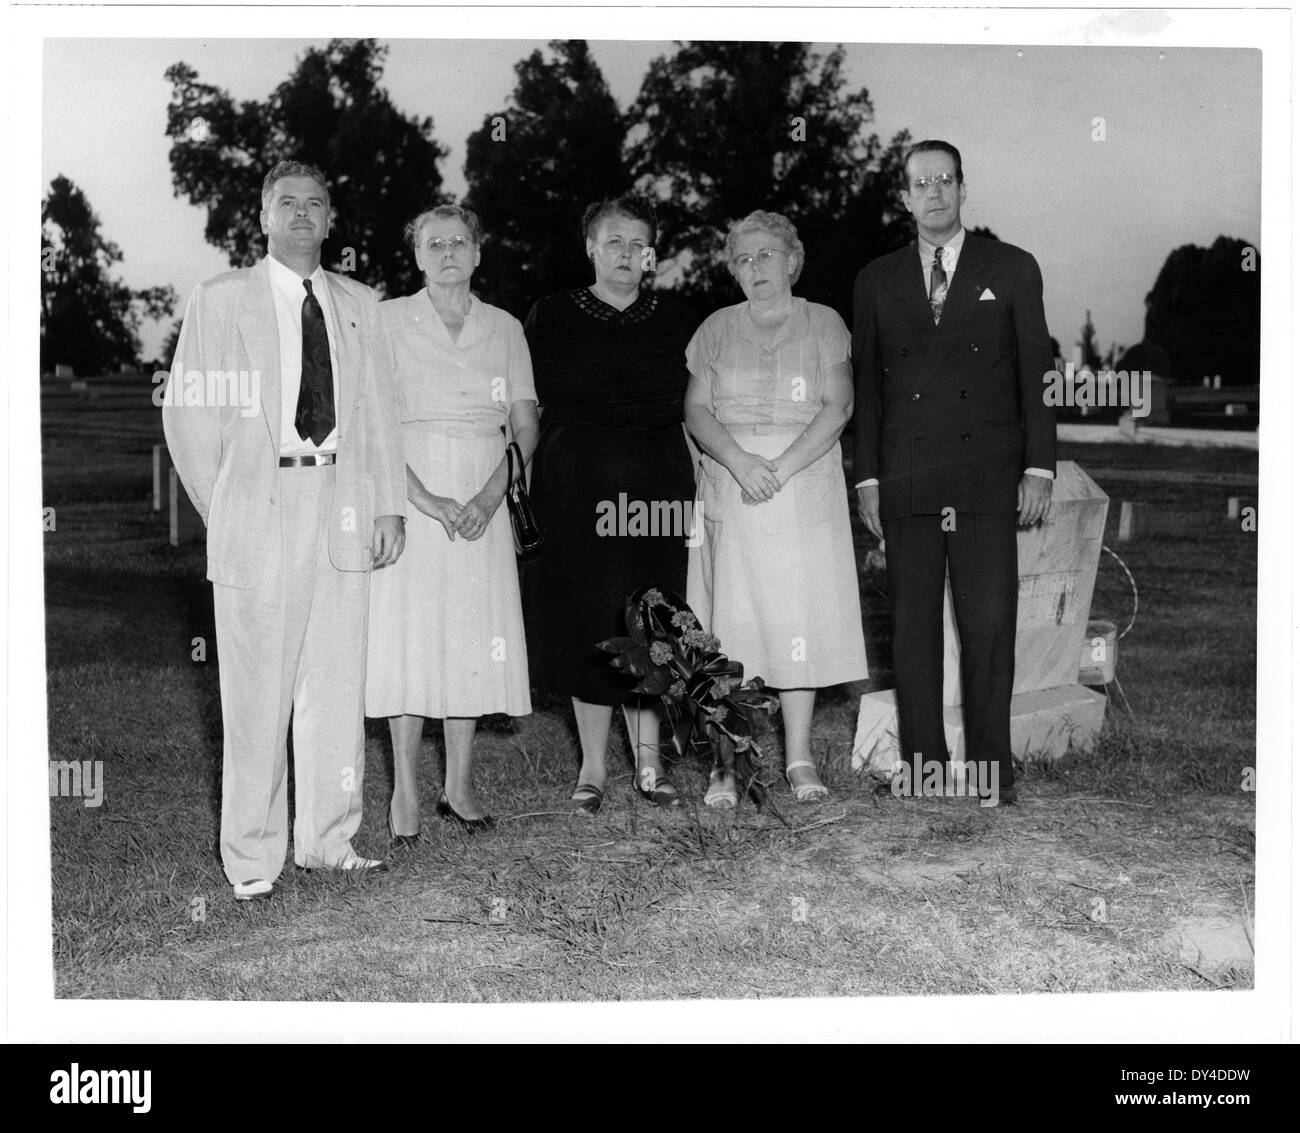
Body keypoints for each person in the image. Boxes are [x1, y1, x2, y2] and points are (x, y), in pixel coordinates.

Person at [163, 160, 407, 901]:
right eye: (286, 202)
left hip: (341, 504)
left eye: (316, 202)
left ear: (332, 220)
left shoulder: (363, 304)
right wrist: (231, 503)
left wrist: (387, 504)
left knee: (334, 684)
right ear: (263, 216)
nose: (302, 213)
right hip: (261, 502)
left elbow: (379, 417)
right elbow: (189, 416)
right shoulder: (221, 300)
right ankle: (252, 858)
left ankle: (330, 839)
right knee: (255, 691)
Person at [851, 139, 1057, 805]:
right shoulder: (876, 279)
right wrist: (868, 480)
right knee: (912, 630)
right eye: (920, 182)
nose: (934, 192)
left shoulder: (1014, 268)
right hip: (908, 477)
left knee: (989, 626)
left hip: (987, 476)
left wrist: (1039, 467)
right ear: (905, 196)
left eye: (946, 180)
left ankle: (993, 771)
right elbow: (869, 387)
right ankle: (924, 767)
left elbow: (1035, 378)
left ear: (963, 189)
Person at [522, 194, 700, 815]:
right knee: (588, 619)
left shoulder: (680, 318)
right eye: (613, 241)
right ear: (591, 247)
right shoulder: (549, 314)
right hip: (575, 484)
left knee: (651, 617)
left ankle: (651, 764)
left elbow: (697, 408)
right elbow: (525, 407)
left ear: (651, 255)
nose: (626, 253)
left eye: (638, 244)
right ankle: (593, 769)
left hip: (658, 483)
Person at [685, 210, 869, 807]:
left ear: (793, 261)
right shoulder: (714, 327)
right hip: (730, 489)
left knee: (798, 626)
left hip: (802, 489)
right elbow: (697, 411)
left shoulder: (825, 323)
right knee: (726, 631)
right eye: (743, 258)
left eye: (767, 255)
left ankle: (798, 756)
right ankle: (725, 765)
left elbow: (837, 408)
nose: (755, 267)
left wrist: (779, 470)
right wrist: (741, 462)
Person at [366, 205, 538, 835]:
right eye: (433, 243)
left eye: (459, 242)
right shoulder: (386, 320)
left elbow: (524, 422)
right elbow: (371, 423)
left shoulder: (504, 327)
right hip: (410, 484)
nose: (447, 253)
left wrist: (493, 498)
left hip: (484, 488)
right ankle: (405, 791)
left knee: (469, 638)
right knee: (411, 640)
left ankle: (459, 788)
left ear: (477, 252)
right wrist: (425, 500)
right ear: (415, 255)